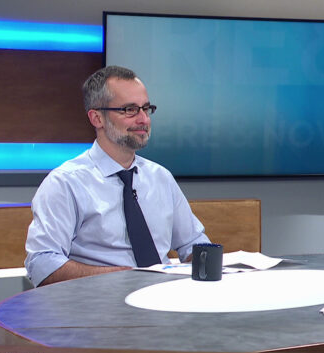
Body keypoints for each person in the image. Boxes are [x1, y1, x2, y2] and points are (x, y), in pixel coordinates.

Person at [25, 66, 210, 287]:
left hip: (163, 301)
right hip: (97, 307)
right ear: (97, 118)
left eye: (146, 108)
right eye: (129, 110)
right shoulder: (65, 183)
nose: (143, 119)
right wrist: (121, 278)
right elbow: (42, 264)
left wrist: (211, 265)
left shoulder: (160, 177)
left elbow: (193, 244)